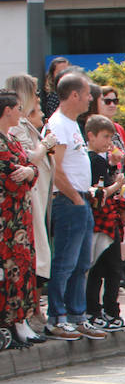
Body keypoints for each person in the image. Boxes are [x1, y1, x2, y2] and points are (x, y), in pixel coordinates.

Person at [44, 72, 105, 341]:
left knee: (81, 262)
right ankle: (56, 318)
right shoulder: (58, 124)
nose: (91, 98)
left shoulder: (71, 124)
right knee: (65, 262)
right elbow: (55, 169)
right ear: (75, 95)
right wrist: (76, 198)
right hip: (69, 201)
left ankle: (76, 316)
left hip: (80, 199)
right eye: (88, 93)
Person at [0, 87, 44, 348]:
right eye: (17, 108)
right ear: (7, 111)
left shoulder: (13, 139)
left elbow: (31, 170)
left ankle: (22, 322)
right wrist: (27, 172)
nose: (21, 112)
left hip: (21, 217)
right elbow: (10, 177)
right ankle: (10, 323)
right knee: (9, 271)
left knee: (24, 269)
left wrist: (29, 172)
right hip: (6, 220)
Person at [84, 115, 125, 331]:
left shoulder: (100, 160)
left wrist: (113, 170)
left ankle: (100, 310)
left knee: (103, 268)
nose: (108, 142)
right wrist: (117, 185)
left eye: (110, 137)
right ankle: (106, 311)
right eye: (105, 137)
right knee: (108, 268)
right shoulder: (94, 160)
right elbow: (99, 192)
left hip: (104, 220)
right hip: (102, 220)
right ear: (91, 136)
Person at [8, 75, 52, 290]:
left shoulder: (24, 123)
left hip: (37, 192)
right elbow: (30, 157)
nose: (37, 97)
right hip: (28, 195)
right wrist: (46, 144)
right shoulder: (16, 126)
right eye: (34, 92)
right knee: (35, 252)